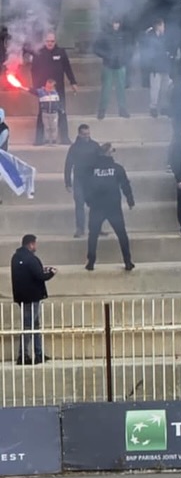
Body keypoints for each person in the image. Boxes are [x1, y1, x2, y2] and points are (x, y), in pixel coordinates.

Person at [83, 142, 136, 272]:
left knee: (93, 235)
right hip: (113, 207)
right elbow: (125, 184)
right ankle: (128, 261)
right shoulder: (117, 168)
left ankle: (91, 262)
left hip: (97, 206)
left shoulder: (91, 169)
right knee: (122, 234)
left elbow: (86, 186)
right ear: (108, 153)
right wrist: (130, 199)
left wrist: (88, 201)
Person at [11, 234, 55, 365]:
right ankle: (23, 355)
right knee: (29, 327)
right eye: (35, 243)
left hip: (22, 297)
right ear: (30, 244)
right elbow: (40, 275)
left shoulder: (16, 257)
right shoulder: (31, 259)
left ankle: (38, 353)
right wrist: (51, 272)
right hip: (32, 297)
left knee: (34, 326)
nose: (36, 246)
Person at [28, 32, 77, 145]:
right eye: (48, 41)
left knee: (62, 112)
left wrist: (73, 82)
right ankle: (39, 139)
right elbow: (33, 71)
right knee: (42, 113)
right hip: (44, 90)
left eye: (52, 41)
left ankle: (64, 138)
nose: (50, 43)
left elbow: (67, 68)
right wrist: (37, 87)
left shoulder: (61, 52)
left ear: (55, 41)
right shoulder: (39, 53)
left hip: (58, 89)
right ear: (44, 42)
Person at [63, 124, 101, 238]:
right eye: (84, 134)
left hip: (92, 180)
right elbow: (68, 165)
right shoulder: (74, 148)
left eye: (88, 134)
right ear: (79, 134)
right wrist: (68, 183)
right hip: (79, 180)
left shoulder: (95, 146)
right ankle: (80, 229)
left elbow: (102, 161)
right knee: (79, 204)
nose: (87, 136)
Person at [93, 18, 133, 120]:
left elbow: (129, 48)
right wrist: (106, 55)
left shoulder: (123, 35)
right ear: (111, 24)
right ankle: (102, 111)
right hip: (108, 66)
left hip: (120, 66)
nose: (116, 25)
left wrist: (124, 58)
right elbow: (96, 48)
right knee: (106, 90)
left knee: (121, 90)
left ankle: (122, 110)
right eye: (115, 23)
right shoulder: (104, 35)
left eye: (118, 23)